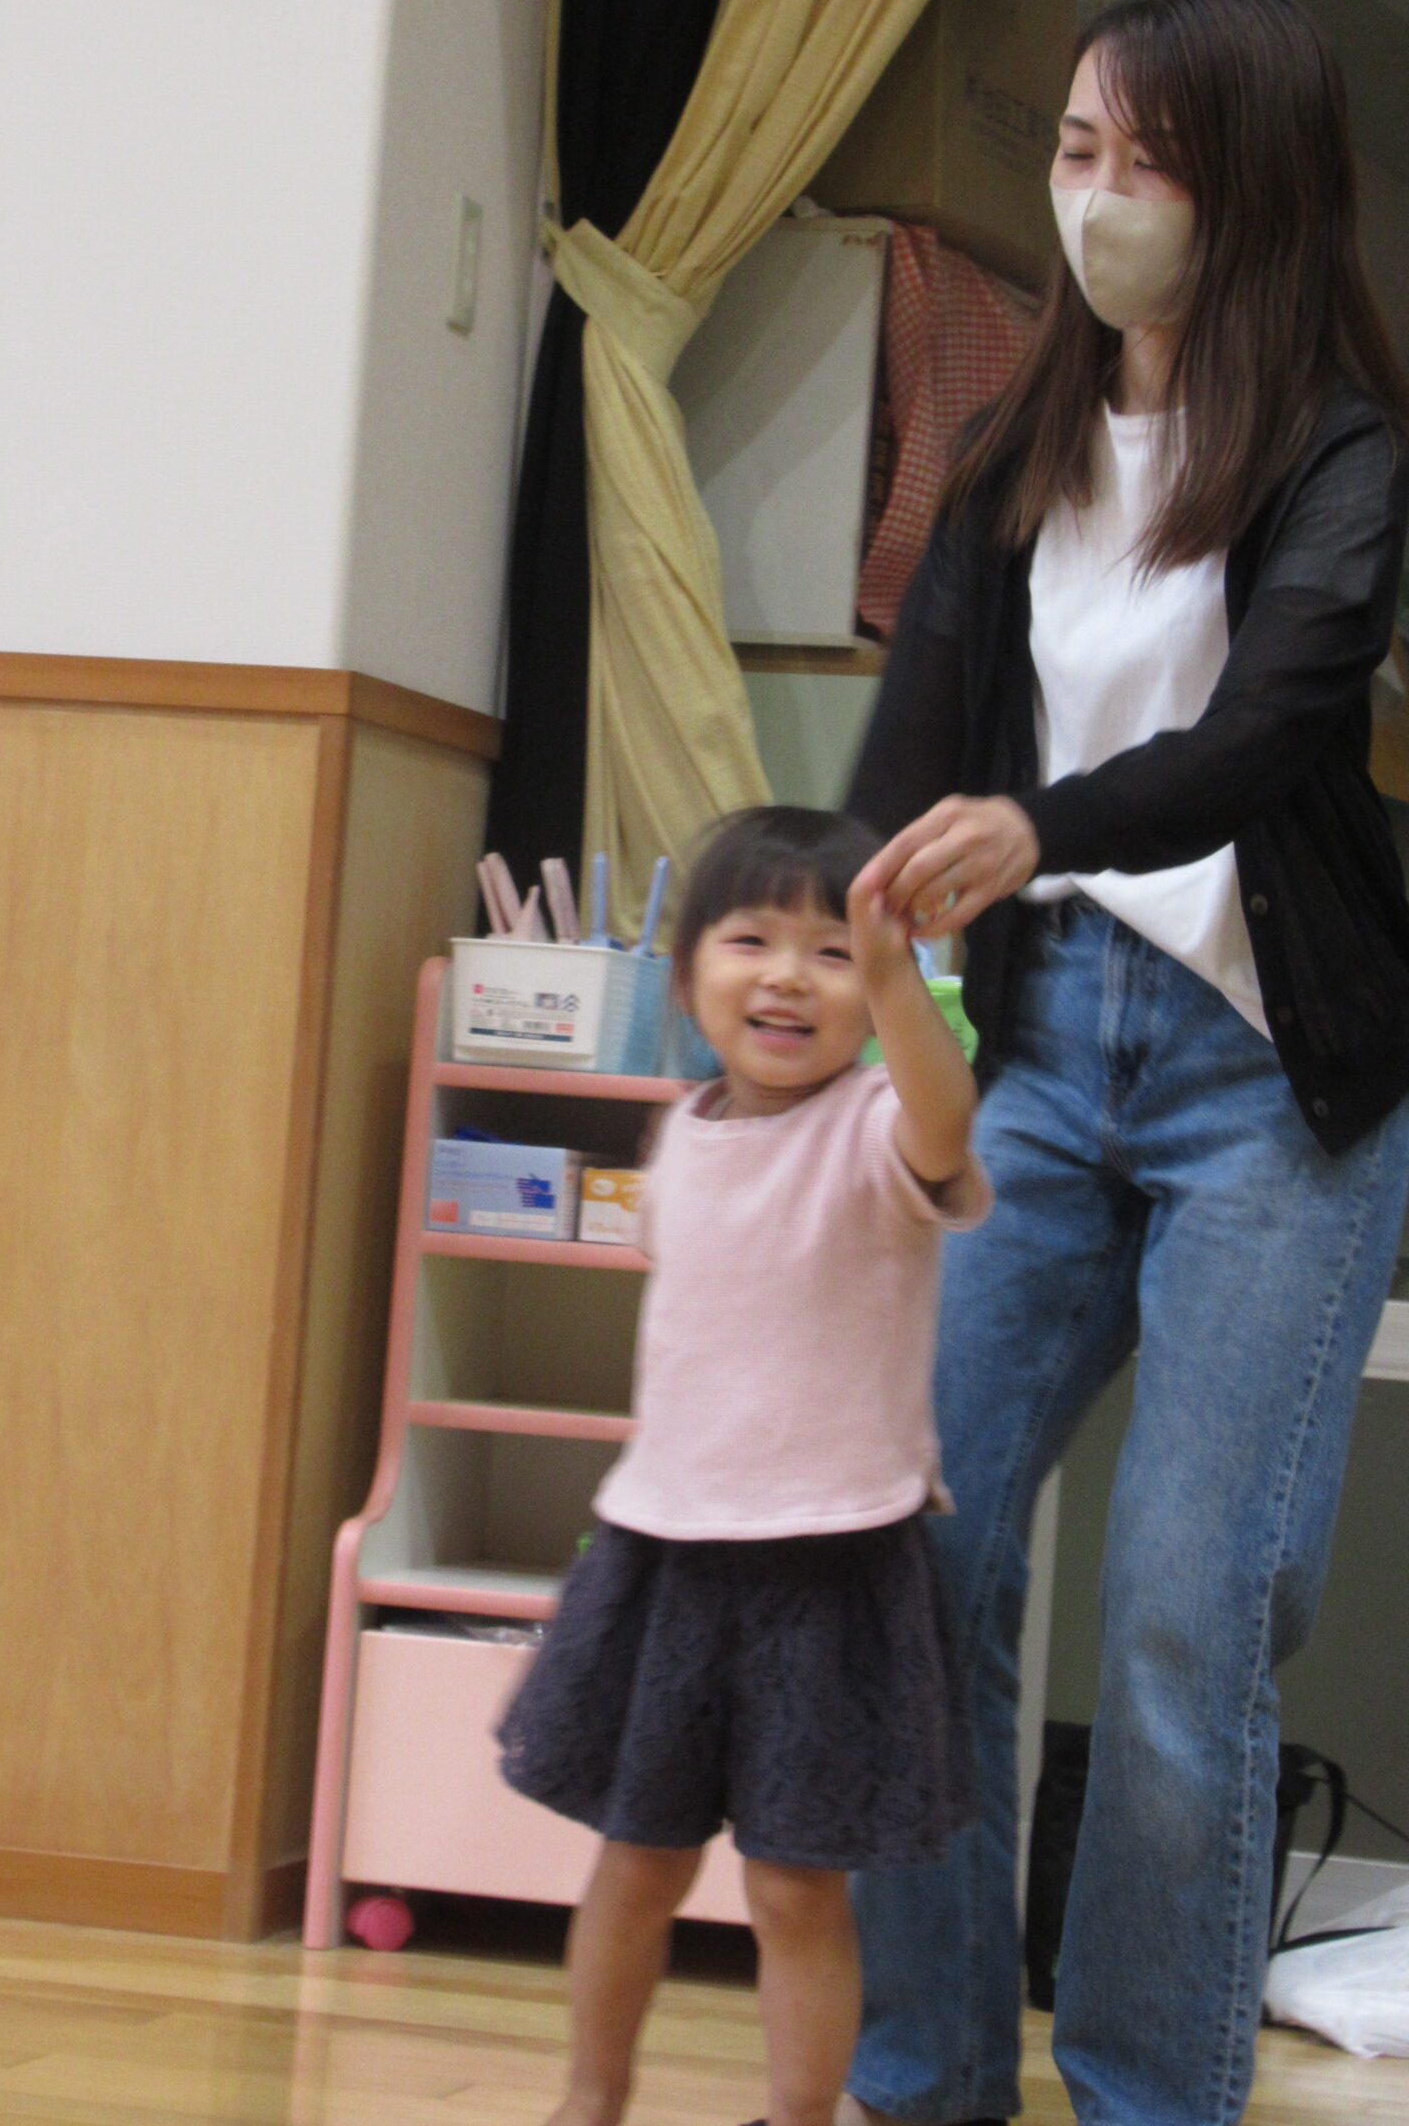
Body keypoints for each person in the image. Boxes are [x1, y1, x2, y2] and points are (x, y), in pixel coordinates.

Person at [840, 0, 1409, 2126]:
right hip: (1036, 1056)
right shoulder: (1013, 455)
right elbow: (899, 781)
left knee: (1191, 1617)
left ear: (1250, 189)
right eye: (1076, 149)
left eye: (1148, 160)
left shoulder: (1339, 454)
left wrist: (1042, 826)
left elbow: (1267, 733)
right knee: (910, 1544)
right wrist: (816, 998)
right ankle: (923, 2080)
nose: (1097, 199)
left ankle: (1144, 2095)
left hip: (1266, 1080)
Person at [498, 805, 990, 2126]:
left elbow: (944, 1121)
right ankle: (589, 2102)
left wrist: (897, 979)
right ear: (684, 977)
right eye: (751, 941)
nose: (788, 977)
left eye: (833, 955)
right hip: (667, 1556)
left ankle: (798, 2115)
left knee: (793, 1885)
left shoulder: (878, 1125)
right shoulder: (681, 1136)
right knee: (636, 1860)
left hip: (832, 1562)